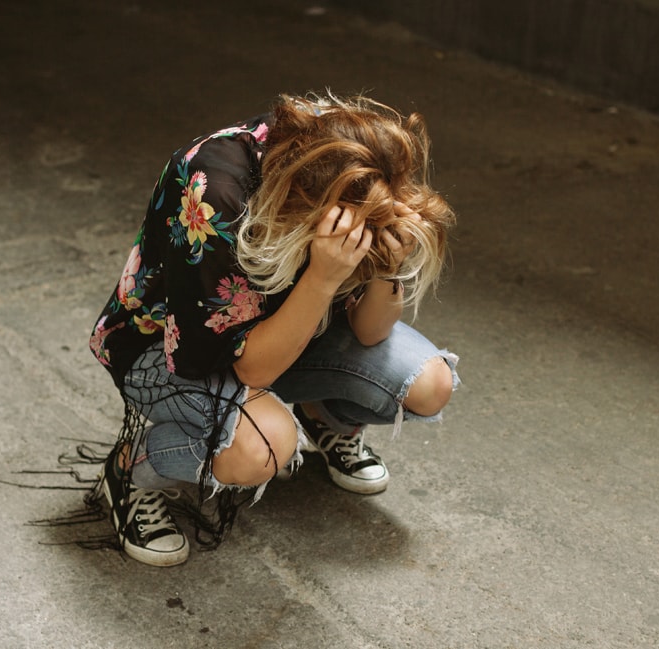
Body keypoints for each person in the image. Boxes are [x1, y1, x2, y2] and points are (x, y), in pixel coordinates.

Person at [88, 91, 460, 567]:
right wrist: (322, 277)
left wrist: (389, 266)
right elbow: (252, 370)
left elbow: (369, 333)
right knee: (263, 446)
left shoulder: (359, 156)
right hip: (169, 345)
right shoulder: (216, 187)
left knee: (430, 384)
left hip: (293, 325)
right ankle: (131, 471)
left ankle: (324, 416)